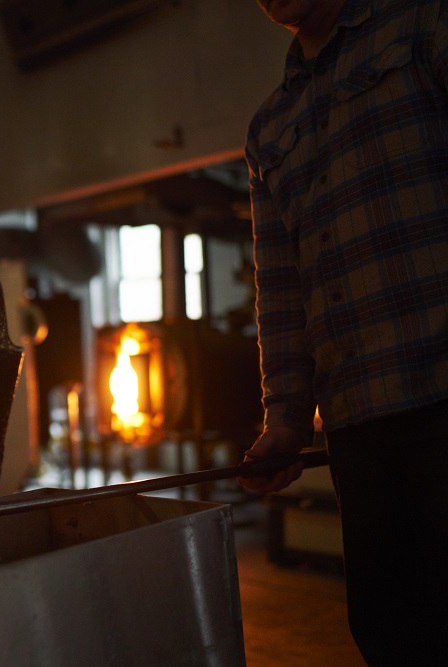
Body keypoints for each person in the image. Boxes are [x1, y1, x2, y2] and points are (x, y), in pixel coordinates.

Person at [239, 0, 448, 663]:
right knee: (391, 637)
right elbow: (280, 286)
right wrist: (286, 418)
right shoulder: (270, 127)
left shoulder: (422, 26)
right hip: (358, 431)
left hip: (442, 400)